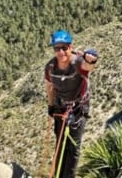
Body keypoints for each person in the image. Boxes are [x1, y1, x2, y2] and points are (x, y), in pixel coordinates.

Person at [44, 29, 98, 178]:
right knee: (60, 145)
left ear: (71, 47)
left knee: (73, 147)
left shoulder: (77, 62)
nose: (61, 52)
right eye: (57, 48)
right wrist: (50, 106)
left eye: (64, 47)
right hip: (60, 107)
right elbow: (50, 88)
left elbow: (88, 67)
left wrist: (91, 60)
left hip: (78, 108)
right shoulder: (50, 67)